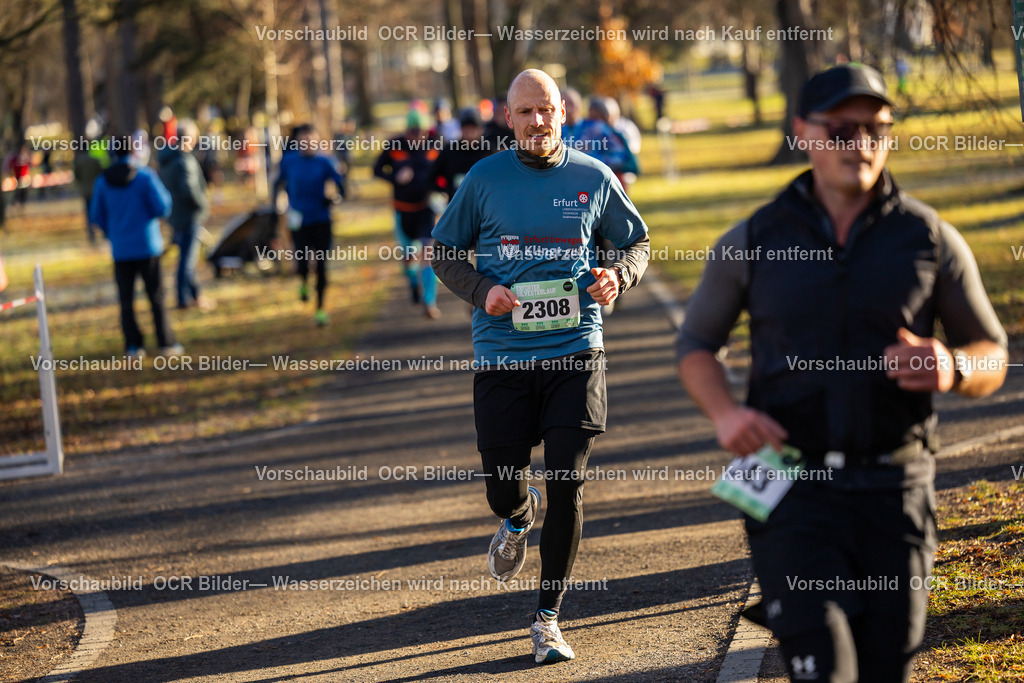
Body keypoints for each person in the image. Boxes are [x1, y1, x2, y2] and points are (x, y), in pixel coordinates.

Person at [675, 64, 1008, 682]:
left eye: (875, 130)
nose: (860, 144)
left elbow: (992, 352)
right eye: (842, 130)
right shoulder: (753, 240)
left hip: (896, 489)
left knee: (885, 671)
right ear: (803, 133)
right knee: (824, 670)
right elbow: (696, 344)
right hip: (789, 485)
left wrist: (955, 365)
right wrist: (726, 413)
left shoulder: (928, 239)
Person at [431, 68, 650, 664]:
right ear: (510, 118)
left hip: (577, 351)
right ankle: (516, 518)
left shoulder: (593, 176)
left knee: (568, 483)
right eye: (525, 112)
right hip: (503, 356)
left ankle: (547, 619)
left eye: (546, 110)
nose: (537, 122)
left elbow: (636, 242)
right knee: (505, 489)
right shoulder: (484, 180)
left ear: (562, 111)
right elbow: (443, 252)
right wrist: (482, 292)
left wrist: (618, 274)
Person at [90, 134, 181, 357]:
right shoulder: (145, 176)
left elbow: (96, 215)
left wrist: (112, 232)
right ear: (133, 152)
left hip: (121, 249)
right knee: (156, 296)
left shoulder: (102, 181)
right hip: (148, 245)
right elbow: (163, 207)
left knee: (126, 300)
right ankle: (165, 343)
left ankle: (133, 345)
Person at [273, 123, 345, 326]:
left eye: (310, 140)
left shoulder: (326, 161)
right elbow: (277, 183)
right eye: (302, 141)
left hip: (322, 220)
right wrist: (275, 206)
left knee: (321, 265)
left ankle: (320, 309)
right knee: (303, 262)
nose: (306, 144)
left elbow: (342, 188)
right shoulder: (289, 161)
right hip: (299, 221)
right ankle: (304, 282)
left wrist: (334, 198)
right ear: (296, 142)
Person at [373, 110, 442, 318]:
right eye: (413, 131)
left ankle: (429, 302)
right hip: (402, 211)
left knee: (429, 255)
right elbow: (376, 170)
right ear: (406, 131)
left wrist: (442, 190)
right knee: (409, 258)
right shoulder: (395, 145)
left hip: (426, 210)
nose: (418, 135)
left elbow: (445, 170)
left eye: (422, 131)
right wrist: (395, 177)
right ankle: (412, 280)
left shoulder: (435, 144)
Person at [158, 119, 211, 311]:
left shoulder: (167, 158)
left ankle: (195, 295)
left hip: (175, 215)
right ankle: (182, 299)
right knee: (187, 262)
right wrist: (202, 205)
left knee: (187, 259)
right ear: (189, 138)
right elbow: (189, 189)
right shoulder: (184, 160)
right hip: (188, 216)